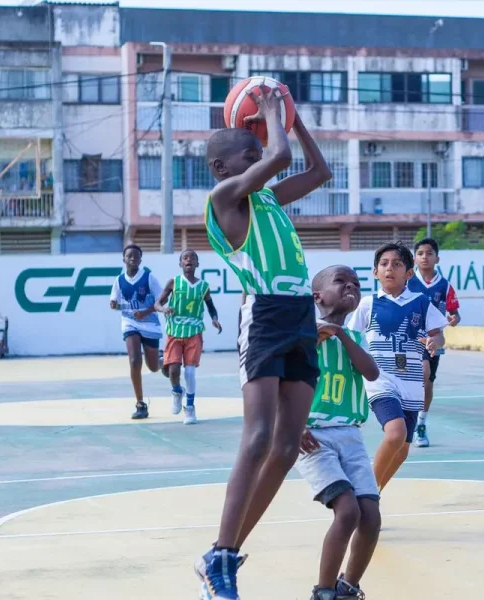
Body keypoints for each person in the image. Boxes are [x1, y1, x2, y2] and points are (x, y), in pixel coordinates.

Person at [197, 87, 332, 600]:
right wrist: (274, 116)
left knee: (284, 447)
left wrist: (292, 120)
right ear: (220, 167)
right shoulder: (223, 199)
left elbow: (319, 173)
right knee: (257, 439)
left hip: (300, 312)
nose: (261, 159)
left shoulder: (269, 197)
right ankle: (223, 558)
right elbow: (278, 156)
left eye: (258, 151)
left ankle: (222, 554)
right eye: (248, 155)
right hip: (266, 313)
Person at [296, 265, 382, 600]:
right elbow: (284, 380)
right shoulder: (302, 335)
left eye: (356, 283)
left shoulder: (356, 338)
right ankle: (323, 591)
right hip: (313, 436)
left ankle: (348, 588)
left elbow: (371, 373)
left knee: (371, 517)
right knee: (347, 511)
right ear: (317, 296)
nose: (351, 286)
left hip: (350, 434)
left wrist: (342, 334)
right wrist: (294, 424)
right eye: (341, 281)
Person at [346, 243, 447, 492]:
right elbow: (350, 338)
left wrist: (435, 342)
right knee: (395, 433)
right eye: (384, 264)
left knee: (401, 450)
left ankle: (375, 493)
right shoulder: (368, 304)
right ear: (375, 272)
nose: (389, 268)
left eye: (397, 264)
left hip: (411, 384)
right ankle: (364, 493)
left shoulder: (421, 303)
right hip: (381, 379)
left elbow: (439, 335)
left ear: (409, 274)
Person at [155, 249, 222, 425]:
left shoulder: (203, 287)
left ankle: (190, 407)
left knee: (190, 371)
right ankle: (177, 391)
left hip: (194, 332)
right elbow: (157, 303)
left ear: (197, 264)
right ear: (180, 264)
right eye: (185, 258)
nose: (189, 260)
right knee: (174, 370)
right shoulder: (173, 283)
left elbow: (211, 306)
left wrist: (214, 319)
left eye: (192, 258)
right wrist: (163, 309)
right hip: (175, 331)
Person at [406, 238, 460, 448]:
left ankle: (420, 423)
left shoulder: (445, 286)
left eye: (429, 253)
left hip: (432, 338)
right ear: (414, 258)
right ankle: (405, 418)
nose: (425, 257)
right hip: (409, 337)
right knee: (416, 378)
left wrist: (454, 319)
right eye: (420, 253)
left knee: (426, 380)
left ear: (437, 258)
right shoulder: (408, 282)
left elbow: (454, 313)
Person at [109, 244, 164, 419]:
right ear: (124, 259)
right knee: (134, 361)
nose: (133, 259)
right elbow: (114, 302)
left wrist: (146, 312)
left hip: (149, 324)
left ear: (141, 259)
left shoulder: (149, 278)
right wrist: (114, 305)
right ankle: (140, 404)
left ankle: (163, 361)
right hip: (130, 323)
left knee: (153, 367)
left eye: (136, 256)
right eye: (129, 256)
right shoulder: (119, 280)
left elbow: (161, 300)